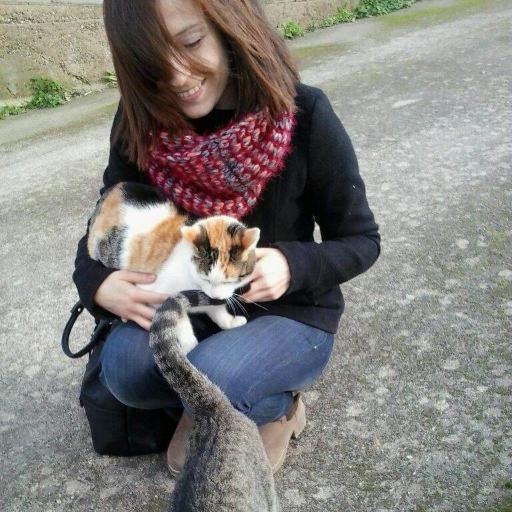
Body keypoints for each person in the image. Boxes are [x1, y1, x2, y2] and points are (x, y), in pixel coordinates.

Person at [73, 0, 380, 476]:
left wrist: (291, 264)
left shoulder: (304, 112)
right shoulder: (141, 122)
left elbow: (361, 240)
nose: (176, 75)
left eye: (191, 42)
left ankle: (276, 407)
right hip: (191, 308)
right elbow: (108, 220)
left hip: (289, 313)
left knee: (215, 374)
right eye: (152, 58)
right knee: (125, 371)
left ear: (229, 28)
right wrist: (96, 283)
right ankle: (210, 405)